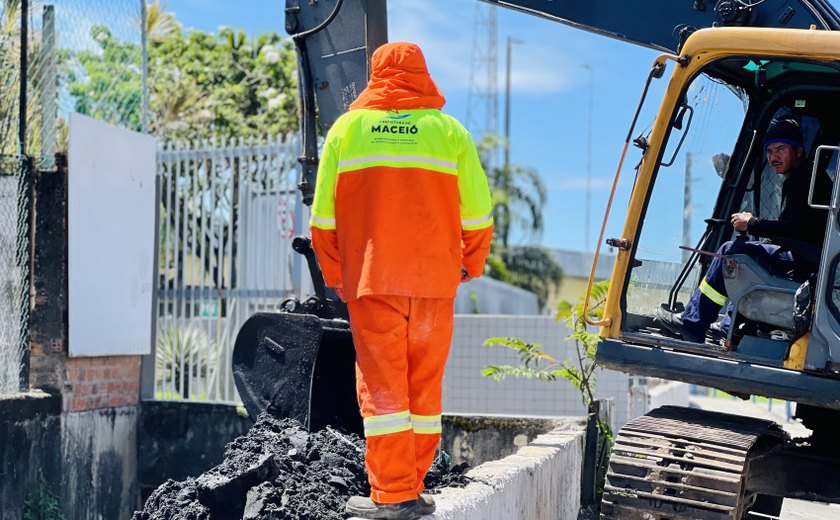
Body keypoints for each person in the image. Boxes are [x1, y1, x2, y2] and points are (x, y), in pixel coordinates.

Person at [309, 42, 493, 519]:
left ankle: (392, 496)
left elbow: (322, 221)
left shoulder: (346, 131)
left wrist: (337, 277)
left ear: (376, 75)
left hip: (372, 281)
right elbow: (478, 215)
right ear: (422, 75)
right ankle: (410, 487)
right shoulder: (450, 133)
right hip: (434, 282)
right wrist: (468, 264)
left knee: (384, 390)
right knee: (423, 388)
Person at [656, 118, 827, 343]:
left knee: (731, 252)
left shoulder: (804, 178)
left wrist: (752, 223)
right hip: (807, 260)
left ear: (798, 151)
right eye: (769, 151)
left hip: (803, 260)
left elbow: (795, 228)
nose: (773, 156)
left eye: (781, 149)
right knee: (751, 258)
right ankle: (729, 326)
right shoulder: (804, 177)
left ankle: (693, 323)